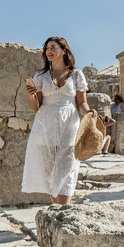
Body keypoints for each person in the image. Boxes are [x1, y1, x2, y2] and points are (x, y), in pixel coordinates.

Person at [21, 36, 95, 205]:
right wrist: (31, 95)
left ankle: (64, 207)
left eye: (53, 47)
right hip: (45, 126)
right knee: (49, 171)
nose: (49, 51)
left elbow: (81, 103)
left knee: (68, 168)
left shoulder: (77, 75)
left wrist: (88, 112)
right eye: (47, 48)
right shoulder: (41, 76)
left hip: (69, 125)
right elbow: (36, 106)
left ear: (63, 51)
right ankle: (57, 209)